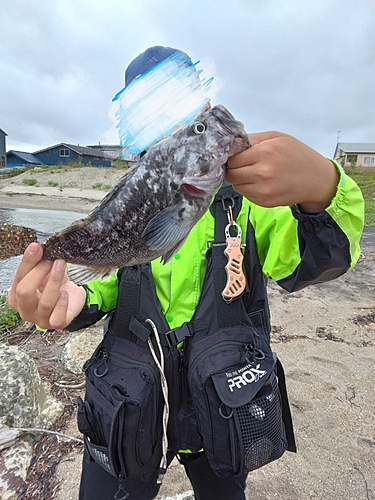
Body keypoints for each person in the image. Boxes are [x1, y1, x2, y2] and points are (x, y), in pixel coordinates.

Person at [8, 46, 364, 500]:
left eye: (186, 111)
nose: (176, 126)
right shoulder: (140, 196)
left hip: (221, 407)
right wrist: (73, 301)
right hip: (131, 408)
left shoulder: (256, 203)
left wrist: (324, 189)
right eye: (151, 115)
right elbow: (109, 278)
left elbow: (318, 262)